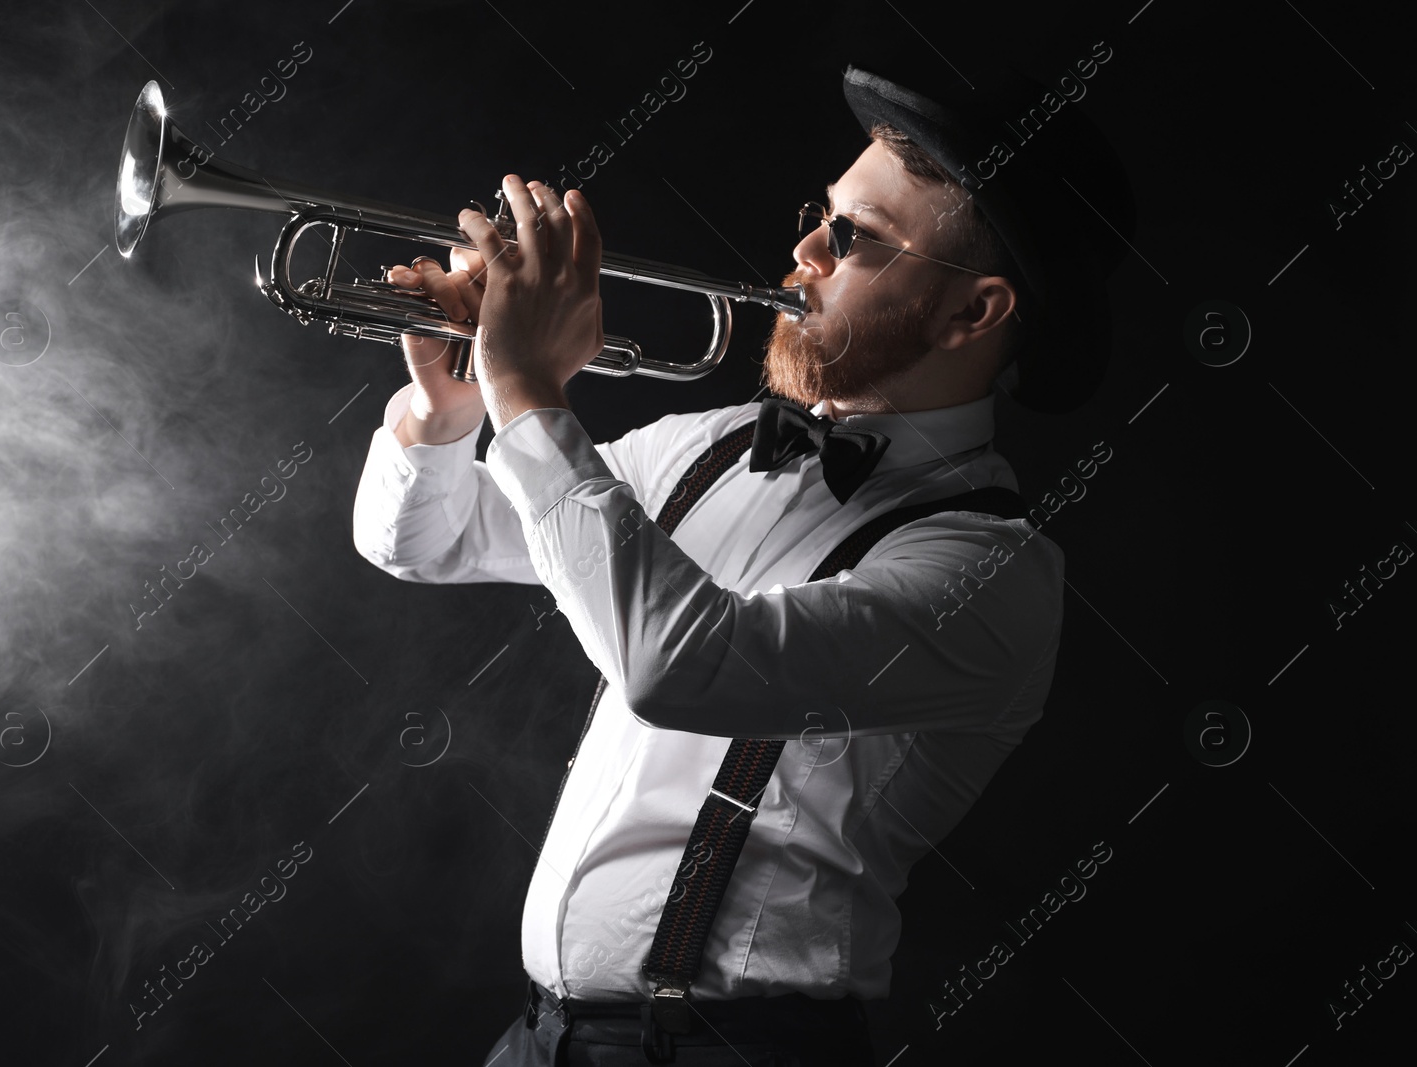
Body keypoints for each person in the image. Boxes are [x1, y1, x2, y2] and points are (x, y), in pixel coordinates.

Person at [352, 60, 1132, 1067]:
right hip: (540, 1039)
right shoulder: (711, 441)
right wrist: (450, 404)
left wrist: (523, 380)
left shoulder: (991, 572)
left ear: (971, 315)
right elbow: (424, 541)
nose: (802, 249)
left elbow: (677, 664)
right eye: (822, 213)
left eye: (855, 239)